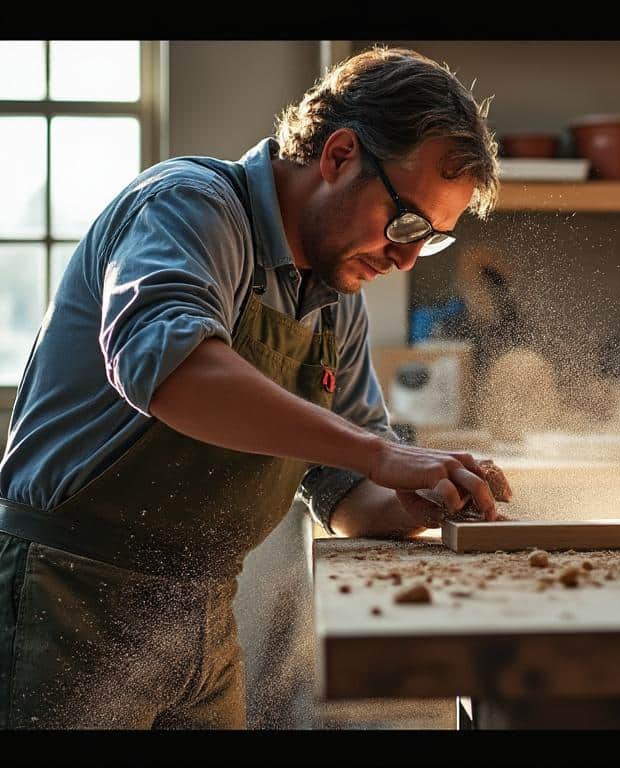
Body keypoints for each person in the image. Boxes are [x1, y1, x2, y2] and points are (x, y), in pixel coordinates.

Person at [0, 45, 511, 729]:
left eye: (432, 238)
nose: (408, 256)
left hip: (205, 615)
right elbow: (172, 370)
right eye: (406, 222)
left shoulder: (335, 299)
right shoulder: (190, 207)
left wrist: (424, 495)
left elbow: (345, 492)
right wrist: (378, 453)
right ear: (338, 156)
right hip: (72, 597)